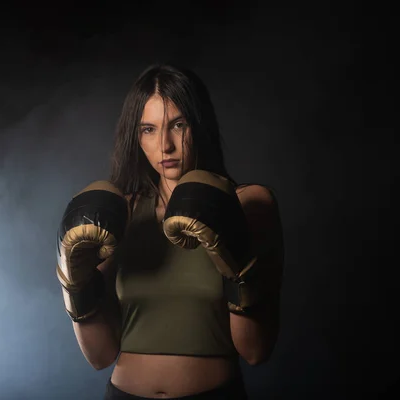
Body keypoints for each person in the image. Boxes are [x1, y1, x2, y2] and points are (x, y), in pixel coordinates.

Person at [56, 64, 284, 399]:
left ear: (198, 124)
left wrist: (239, 270)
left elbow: (255, 351)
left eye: (178, 124)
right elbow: (100, 356)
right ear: (136, 137)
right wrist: (75, 285)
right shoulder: (122, 211)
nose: (165, 145)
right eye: (149, 129)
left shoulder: (248, 204)